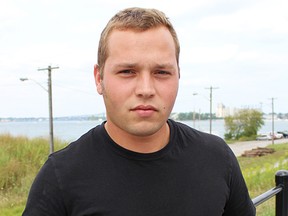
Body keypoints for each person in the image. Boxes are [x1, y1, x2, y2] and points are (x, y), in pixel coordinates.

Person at [22, 7, 256, 216]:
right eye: (127, 71)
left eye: (161, 72)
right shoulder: (60, 177)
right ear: (99, 78)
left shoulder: (217, 158)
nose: (146, 89)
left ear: (178, 75)